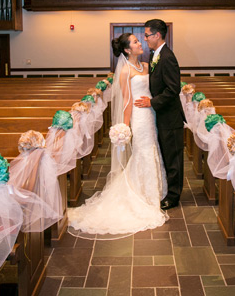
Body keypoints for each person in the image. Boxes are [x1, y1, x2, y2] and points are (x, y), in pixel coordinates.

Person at [68, 33, 168, 235]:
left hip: (152, 114)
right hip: (139, 118)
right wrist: (125, 127)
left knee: (152, 149)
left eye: (139, 40)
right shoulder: (125, 72)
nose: (140, 43)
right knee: (143, 151)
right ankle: (144, 194)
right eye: (135, 42)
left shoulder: (147, 66)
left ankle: (154, 190)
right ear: (127, 50)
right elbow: (127, 102)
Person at [135, 19, 184, 210]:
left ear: (157, 35)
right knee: (167, 154)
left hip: (170, 117)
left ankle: (173, 197)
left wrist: (152, 102)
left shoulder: (167, 57)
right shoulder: (157, 54)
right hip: (162, 116)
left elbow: (173, 89)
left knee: (173, 158)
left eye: (147, 35)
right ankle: (168, 190)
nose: (145, 38)